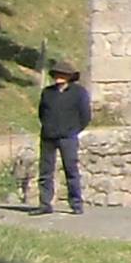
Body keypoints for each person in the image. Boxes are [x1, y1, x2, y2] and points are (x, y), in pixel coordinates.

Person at [34, 64, 90, 214]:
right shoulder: (48, 93)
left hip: (68, 138)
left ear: (70, 77)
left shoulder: (79, 93)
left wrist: (73, 130)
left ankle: (76, 204)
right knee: (45, 172)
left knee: (71, 171)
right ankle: (45, 204)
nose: (60, 77)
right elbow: (41, 113)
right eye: (57, 74)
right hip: (48, 137)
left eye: (63, 74)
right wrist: (47, 126)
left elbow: (85, 115)